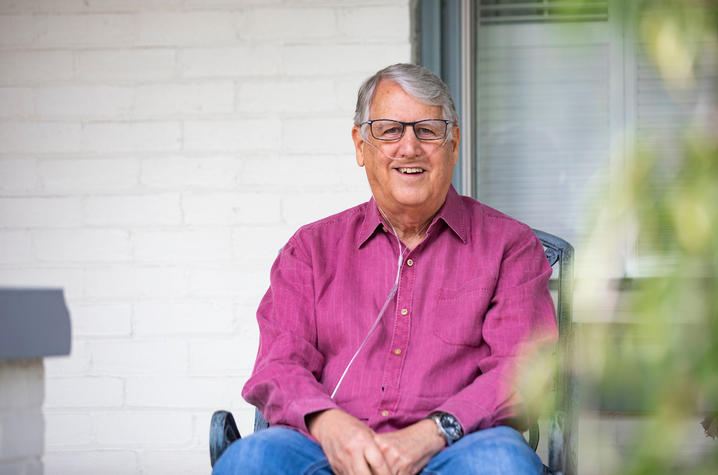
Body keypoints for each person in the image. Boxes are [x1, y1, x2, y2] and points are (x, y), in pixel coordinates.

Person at [213, 63, 557, 474]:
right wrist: (333, 427)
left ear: (454, 144)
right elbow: (279, 365)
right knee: (251, 460)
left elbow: (523, 370)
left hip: (457, 448)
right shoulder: (311, 249)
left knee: (501, 466)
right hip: (327, 449)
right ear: (361, 146)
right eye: (389, 130)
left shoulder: (508, 246)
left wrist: (430, 434)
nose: (409, 147)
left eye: (427, 130)